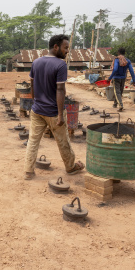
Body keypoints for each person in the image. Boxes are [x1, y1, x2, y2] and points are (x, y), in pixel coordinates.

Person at [24, 34, 85, 180]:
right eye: (65, 48)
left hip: (37, 110)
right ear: (56, 47)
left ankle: (28, 171)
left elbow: (31, 84)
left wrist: (35, 103)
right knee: (63, 141)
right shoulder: (60, 65)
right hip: (52, 112)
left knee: (33, 140)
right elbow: (60, 90)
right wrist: (59, 115)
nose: (67, 51)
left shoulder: (36, 62)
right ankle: (70, 167)